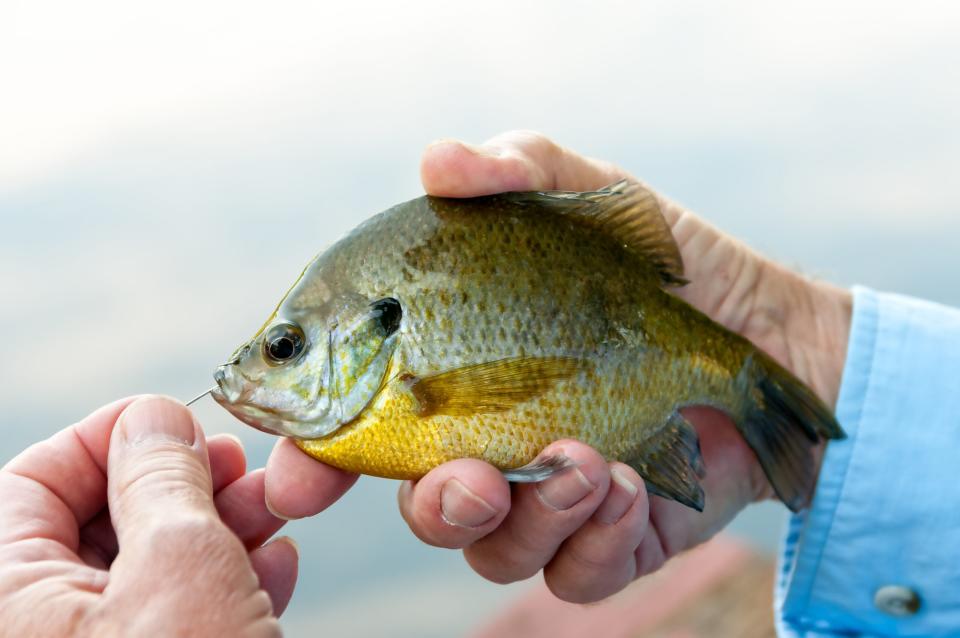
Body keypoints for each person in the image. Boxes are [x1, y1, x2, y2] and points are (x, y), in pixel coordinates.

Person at [2, 131, 956, 636]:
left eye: (287, 346)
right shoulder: (376, 396)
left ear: (378, 330)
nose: (261, 370)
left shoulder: (399, 389)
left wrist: (787, 342)